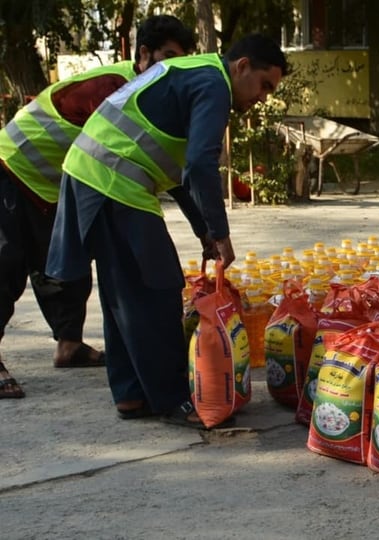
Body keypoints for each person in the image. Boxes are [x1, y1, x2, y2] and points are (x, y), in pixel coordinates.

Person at [46, 34, 288, 426]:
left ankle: (131, 395)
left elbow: (176, 171)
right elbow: (199, 166)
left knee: (122, 290)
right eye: (264, 85)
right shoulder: (214, 85)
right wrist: (220, 232)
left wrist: (203, 231)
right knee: (155, 290)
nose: (261, 97)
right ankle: (172, 400)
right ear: (242, 66)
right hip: (113, 179)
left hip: (94, 173)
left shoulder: (193, 72)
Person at [0, 15, 195, 399]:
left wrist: (204, 227)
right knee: (5, 265)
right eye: (166, 58)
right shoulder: (114, 88)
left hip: (54, 183)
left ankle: (69, 345)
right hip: (12, 164)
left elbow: (176, 170)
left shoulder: (152, 93)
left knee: (63, 267)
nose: (170, 70)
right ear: (143, 55)